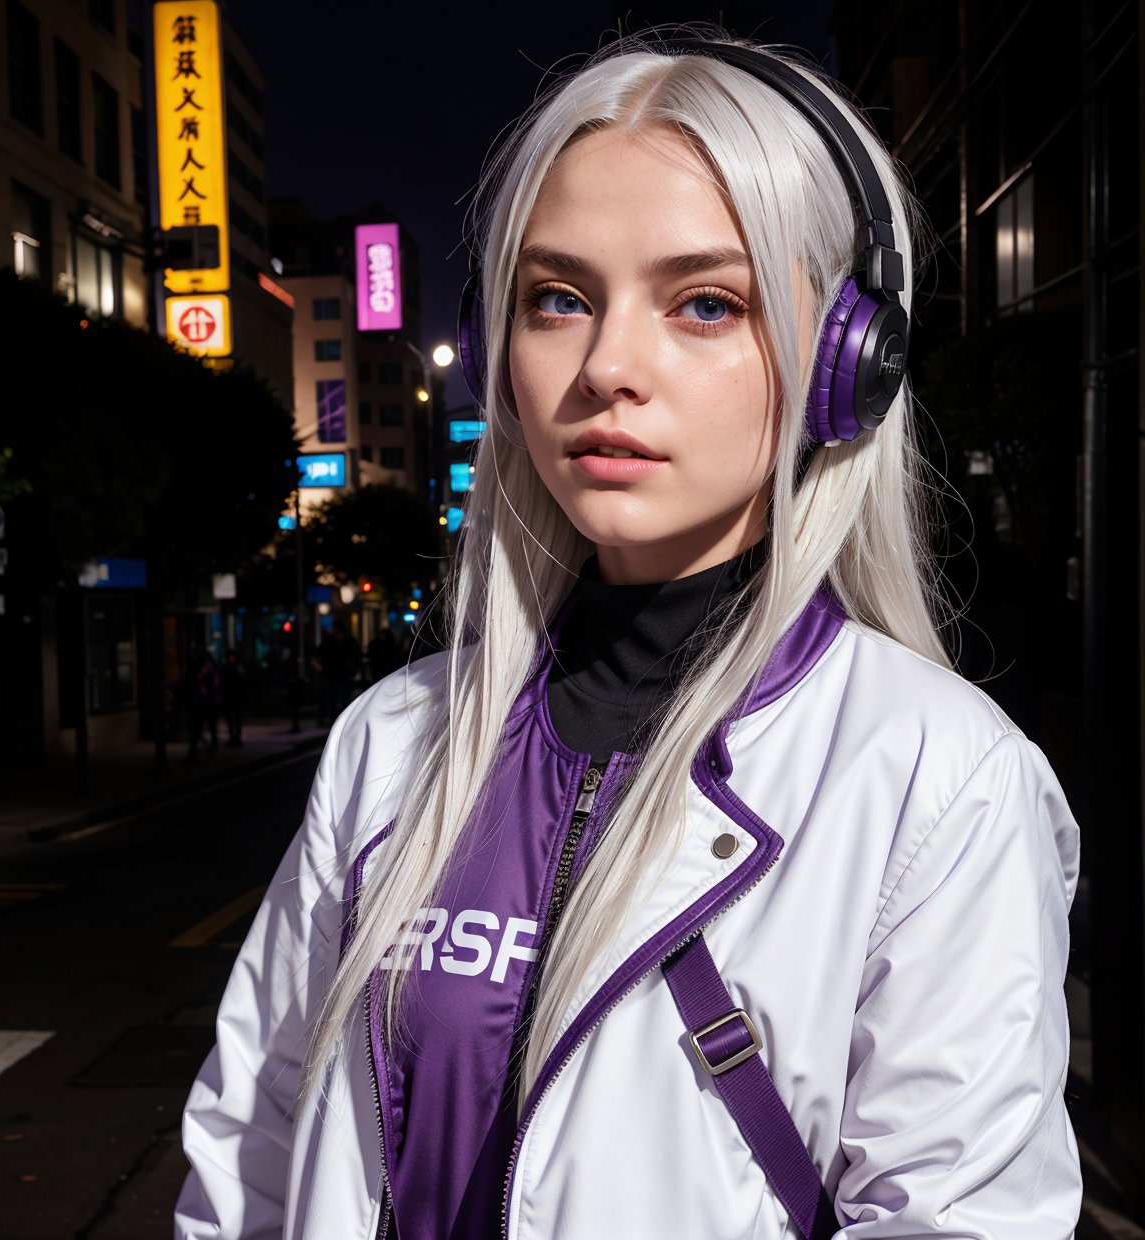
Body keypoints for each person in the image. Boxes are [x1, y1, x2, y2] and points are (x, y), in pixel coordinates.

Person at [175, 31, 1081, 1240]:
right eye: (558, 298)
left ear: (846, 361)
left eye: (705, 302)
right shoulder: (391, 741)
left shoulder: (932, 778)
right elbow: (252, 1151)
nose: (606, 365)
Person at [220, 649, 248, 748]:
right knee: (230, 718)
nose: (231, 658)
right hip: (229, 696)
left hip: (237, 696)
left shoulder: (238, 667)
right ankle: (232, 736)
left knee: (237, 717)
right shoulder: (226, 668)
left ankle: (237, 737)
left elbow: (244, 681)